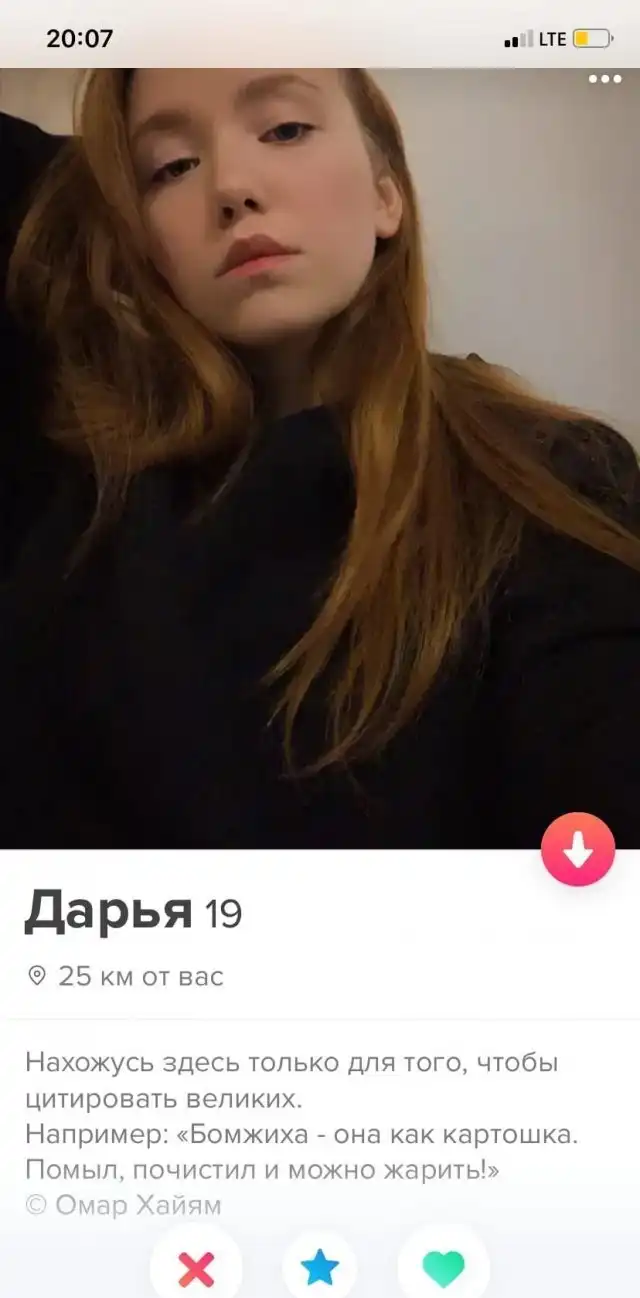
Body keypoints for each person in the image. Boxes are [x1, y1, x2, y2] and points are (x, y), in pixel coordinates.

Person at [2, 66, 640, 849]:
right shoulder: (85, 525)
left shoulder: (544, 473)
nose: (231, 186)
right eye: (172, 167)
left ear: (385, 195)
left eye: (285, 129)